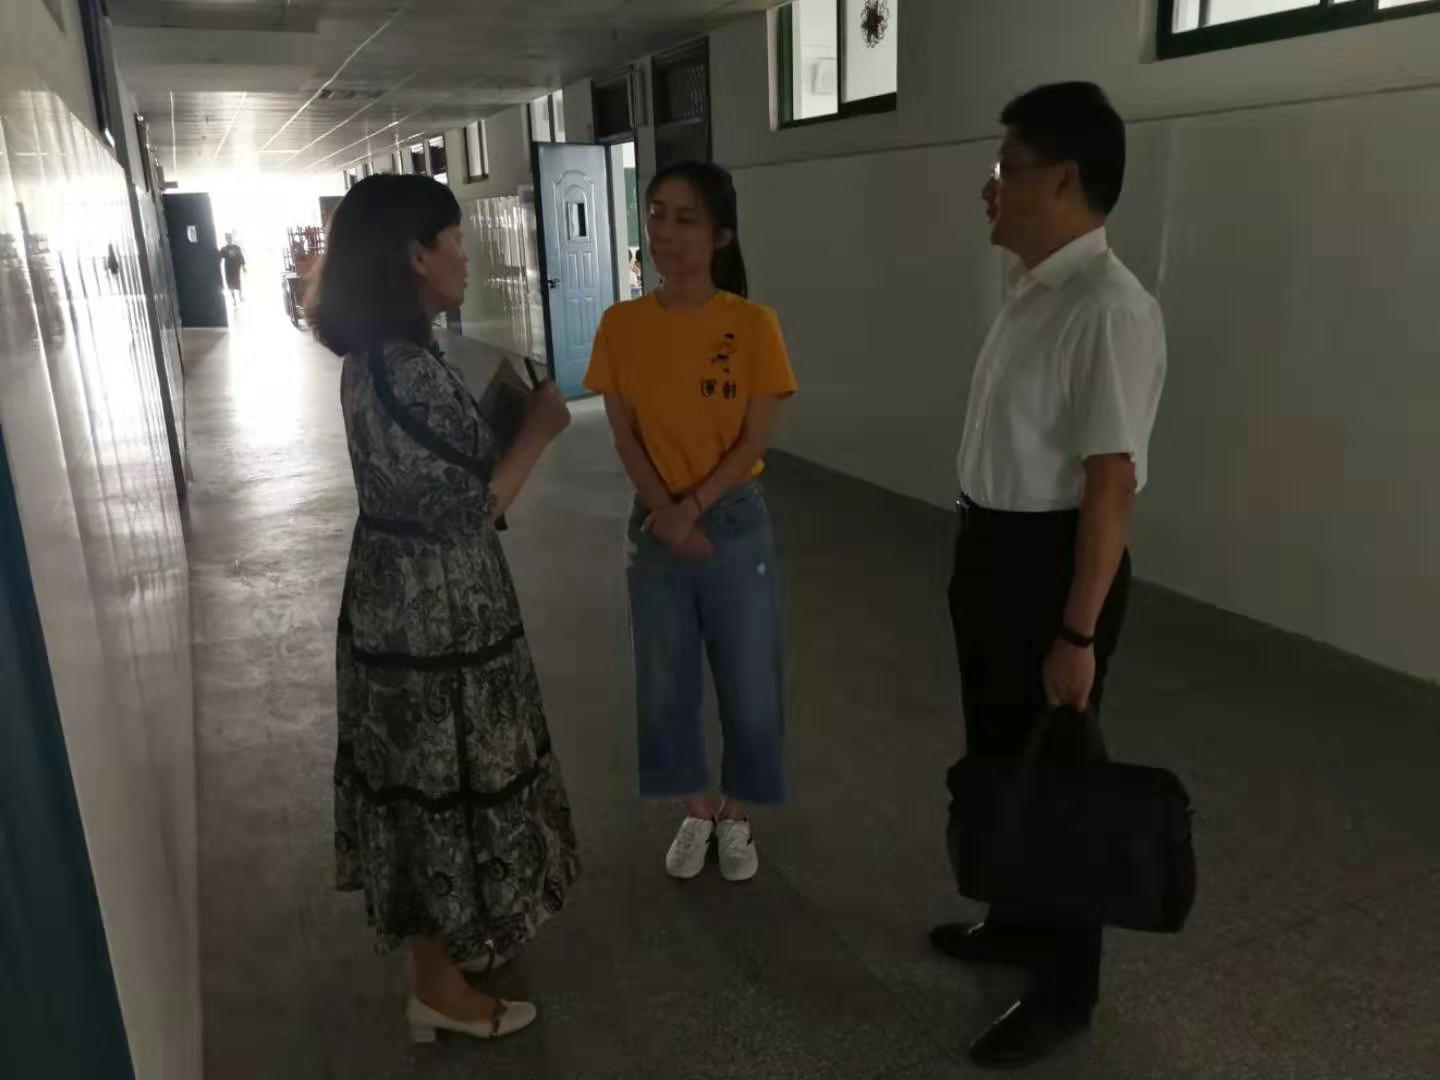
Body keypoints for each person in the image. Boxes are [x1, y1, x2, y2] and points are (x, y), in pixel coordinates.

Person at [308, 174, 580, 1045]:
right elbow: (474, 504)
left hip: (410, 598)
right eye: (455, 238)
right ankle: (435, 985)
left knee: (428, 780)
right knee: (436, 783)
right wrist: (539, 429)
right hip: (433, 613)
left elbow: (441, 477)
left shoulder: (387, 358)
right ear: (414, 255)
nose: (466, 254)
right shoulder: (402, 369)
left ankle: (446, 955)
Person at [931, 83, 1167, 1068]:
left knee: (1063, 779)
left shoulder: (1110, 309)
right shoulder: (1035, 290)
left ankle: (1067, 989)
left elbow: (1111, 488)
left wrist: (1076, 633)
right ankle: (1018, 921)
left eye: (1005, 169)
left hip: (1052, 570)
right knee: (1001, 754)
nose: (990, 189)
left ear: (1063, 179)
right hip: (993, 553)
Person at [585, 161, 797, 884]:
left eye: (685, 218)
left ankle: (736, 815)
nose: (665, 232)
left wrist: (693, 509)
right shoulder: (621, 325)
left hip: (731, 518)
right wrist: (667, 514)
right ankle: (697, 810)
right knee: (664, 675)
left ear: (721, 235)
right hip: (654, 519)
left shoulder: (753, 326)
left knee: (749, 673)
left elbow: (754, 440)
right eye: (656, 213)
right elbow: (623, 435)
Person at [219, 233, 246, 309]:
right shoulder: (224, 249)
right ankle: (234, 300)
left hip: (235, 268)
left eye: (229, 238)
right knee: (230, 284)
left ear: (231, 238)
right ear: (226, 239)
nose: (229, 240)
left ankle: (240, 297)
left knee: (237, 282)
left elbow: (241, 257)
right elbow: (220, 257)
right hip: (229, 268)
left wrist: (243, 266)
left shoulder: (236, 247)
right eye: (227, 238)